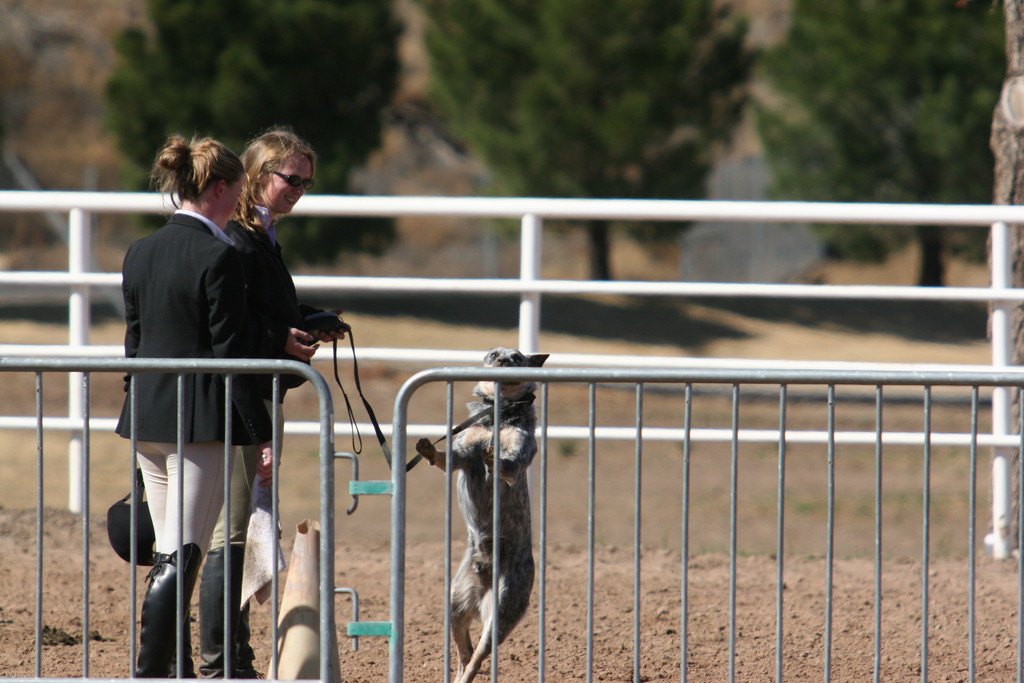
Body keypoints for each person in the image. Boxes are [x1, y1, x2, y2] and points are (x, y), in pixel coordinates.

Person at [115, 134, 274, 678]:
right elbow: (233, 355)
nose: (240, 206)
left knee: (168, 553)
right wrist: (260, 432)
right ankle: (151, 670)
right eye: (236, 193)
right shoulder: (217, 256)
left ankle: (168, 667)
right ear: (219, 187)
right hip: (197, 424)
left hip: (147, 417)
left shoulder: (140, 251)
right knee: (184, 555)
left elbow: (134, 343)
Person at [198, 127, 344, 679]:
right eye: (291, 179)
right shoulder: (239, 239)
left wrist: (306, 319)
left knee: (243, 525)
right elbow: (230, 323)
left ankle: (230, 654)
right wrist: (280, 338)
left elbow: (261, 307)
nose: (299, 190)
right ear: (258, 176)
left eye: (306, 182)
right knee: (233, 529)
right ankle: (222, 661)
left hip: (258, 391)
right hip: (243, 396)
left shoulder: (260, 234)